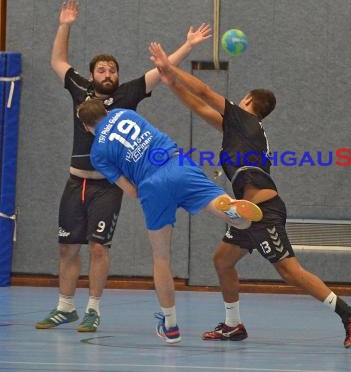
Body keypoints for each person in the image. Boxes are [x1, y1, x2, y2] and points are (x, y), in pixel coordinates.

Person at [148, 41, 351, 349]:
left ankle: (350, 315)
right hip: (244, 212)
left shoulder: (244, 119)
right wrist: (170, 81)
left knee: (289, 271)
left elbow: (203, 93)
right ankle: (233, 324)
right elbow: (197, 106)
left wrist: (171, 68)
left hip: (263, 211)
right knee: (223, 261)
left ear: (248, 100)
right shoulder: (239, 128)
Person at [36, 0, 212, 332]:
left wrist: (187, 45)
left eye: (112, 70)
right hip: (76, 182)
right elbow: (58, 60)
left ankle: (93, 309)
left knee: (98, 247)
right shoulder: (79, 90)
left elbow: (161, 72)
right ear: (91, 75)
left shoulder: (128, 94)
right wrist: (65, 24)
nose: (107, 74)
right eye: (101, 70)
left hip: (107, 184)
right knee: (66, 246)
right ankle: (65, 307)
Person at [76, 98, 263, 343]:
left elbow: (130, 190)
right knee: (226, 209)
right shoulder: (124, 112)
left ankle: (171, 326)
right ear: (107, 110)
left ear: (86, 127)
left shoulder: (98, 154)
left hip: (151, 186)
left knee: (161, 257)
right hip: (177, 163)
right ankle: (232, 212)